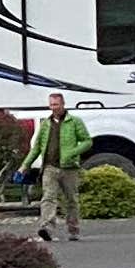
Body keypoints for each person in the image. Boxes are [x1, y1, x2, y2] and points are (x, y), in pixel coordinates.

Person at [37, 95, 90, 241]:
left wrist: (72, 153)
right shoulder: (46, 124)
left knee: (71, 199)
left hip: (69, 168)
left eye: (56, 104)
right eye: (51, 105)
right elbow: (36, 147)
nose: (54, 107)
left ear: (63, 104)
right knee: (48, 197)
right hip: (50, 166)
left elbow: (87, 141)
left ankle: (73, 229)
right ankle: (47, 227)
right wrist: (24, 166)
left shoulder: (74, 122)